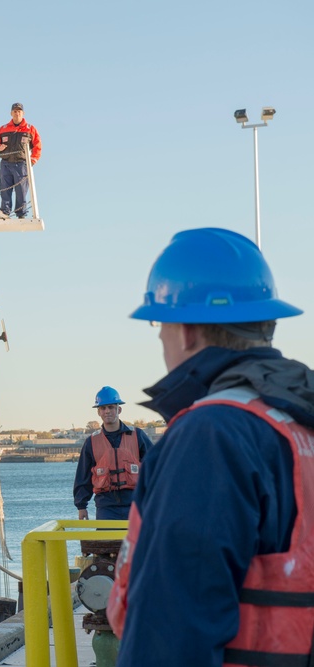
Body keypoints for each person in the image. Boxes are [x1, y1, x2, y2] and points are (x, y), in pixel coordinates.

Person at [106, 228, 313, 666]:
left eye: (158, 323)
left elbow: (172, 629)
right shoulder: (299, 424)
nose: (160, 338)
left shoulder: (212, 436)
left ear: (187, 330)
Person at [72, 387, 153, 521]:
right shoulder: (91, 442)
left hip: (135, 504)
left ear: (119, 409)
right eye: (103, 408)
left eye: (111, 407)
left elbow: (156, 467)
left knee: (137, 542)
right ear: (98, 412)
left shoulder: (137, 436)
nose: (107, 411)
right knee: (106, 542)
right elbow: (83, 476)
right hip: (106, 508)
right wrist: (81, 506)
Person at [0, 103, 41, 218]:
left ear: (23, 113)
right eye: (14, 111)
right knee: (5, 188)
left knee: (21, 190)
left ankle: (21, 213)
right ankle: (5, 210)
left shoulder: (30, 129)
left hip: (21, 164)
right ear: (11, 113)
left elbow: (37, 146)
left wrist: (33, 160)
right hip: (6, 164)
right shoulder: (3, 128)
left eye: (19, 111)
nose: (17, 113)